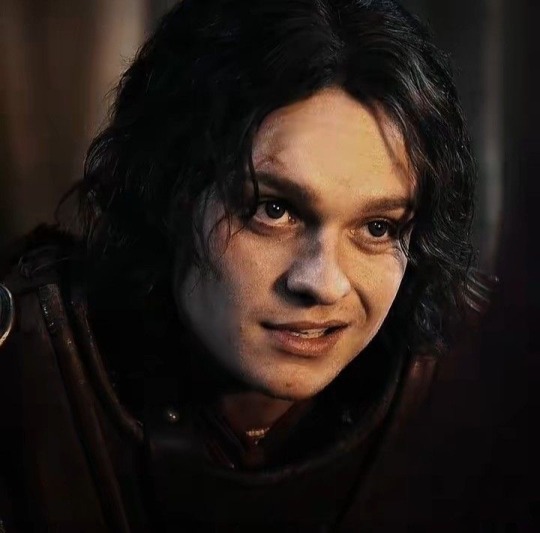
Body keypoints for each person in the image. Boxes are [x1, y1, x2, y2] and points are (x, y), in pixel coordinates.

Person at [0, 0, 485, 530]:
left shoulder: (477, 394)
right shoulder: (28, 365)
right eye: (273, 210)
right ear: (171, 192)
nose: (323, 282)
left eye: (378, 227)